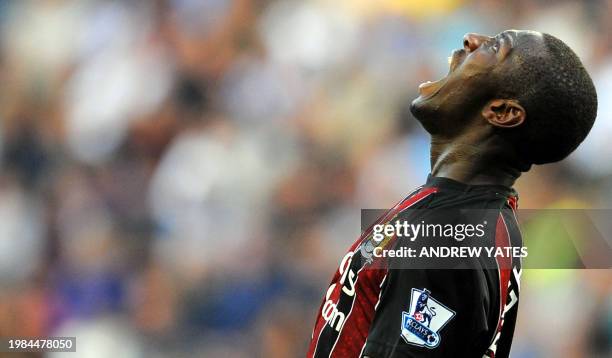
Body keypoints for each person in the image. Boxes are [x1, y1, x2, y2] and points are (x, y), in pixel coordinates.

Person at [307, 30, 597, 358]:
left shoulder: (447, 236)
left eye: (496, 47)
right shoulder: (478, 220)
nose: (471, 39)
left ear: (502, 112)